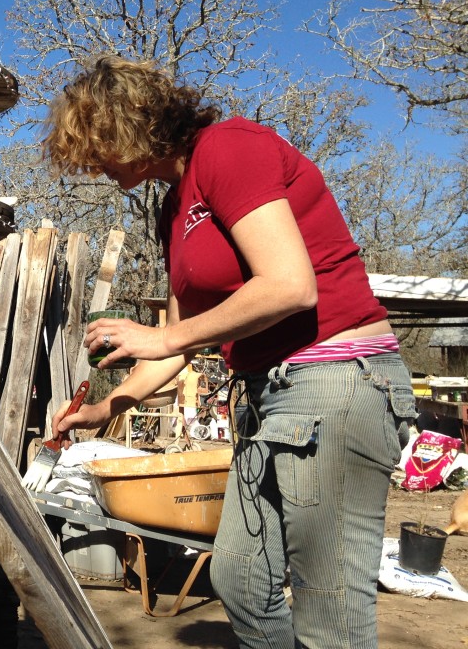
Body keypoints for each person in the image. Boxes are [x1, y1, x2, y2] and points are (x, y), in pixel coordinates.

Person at [42, 55, 417, 649]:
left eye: (94, 146)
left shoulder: (229, 147)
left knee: (330, 613)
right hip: (271, 396)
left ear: (127, 123)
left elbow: (290, 285)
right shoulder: (173, 205)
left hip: (335, 380)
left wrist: (163, 337)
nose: (91, 165)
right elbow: (186, 332)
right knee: (239, 577)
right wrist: (110, 404)